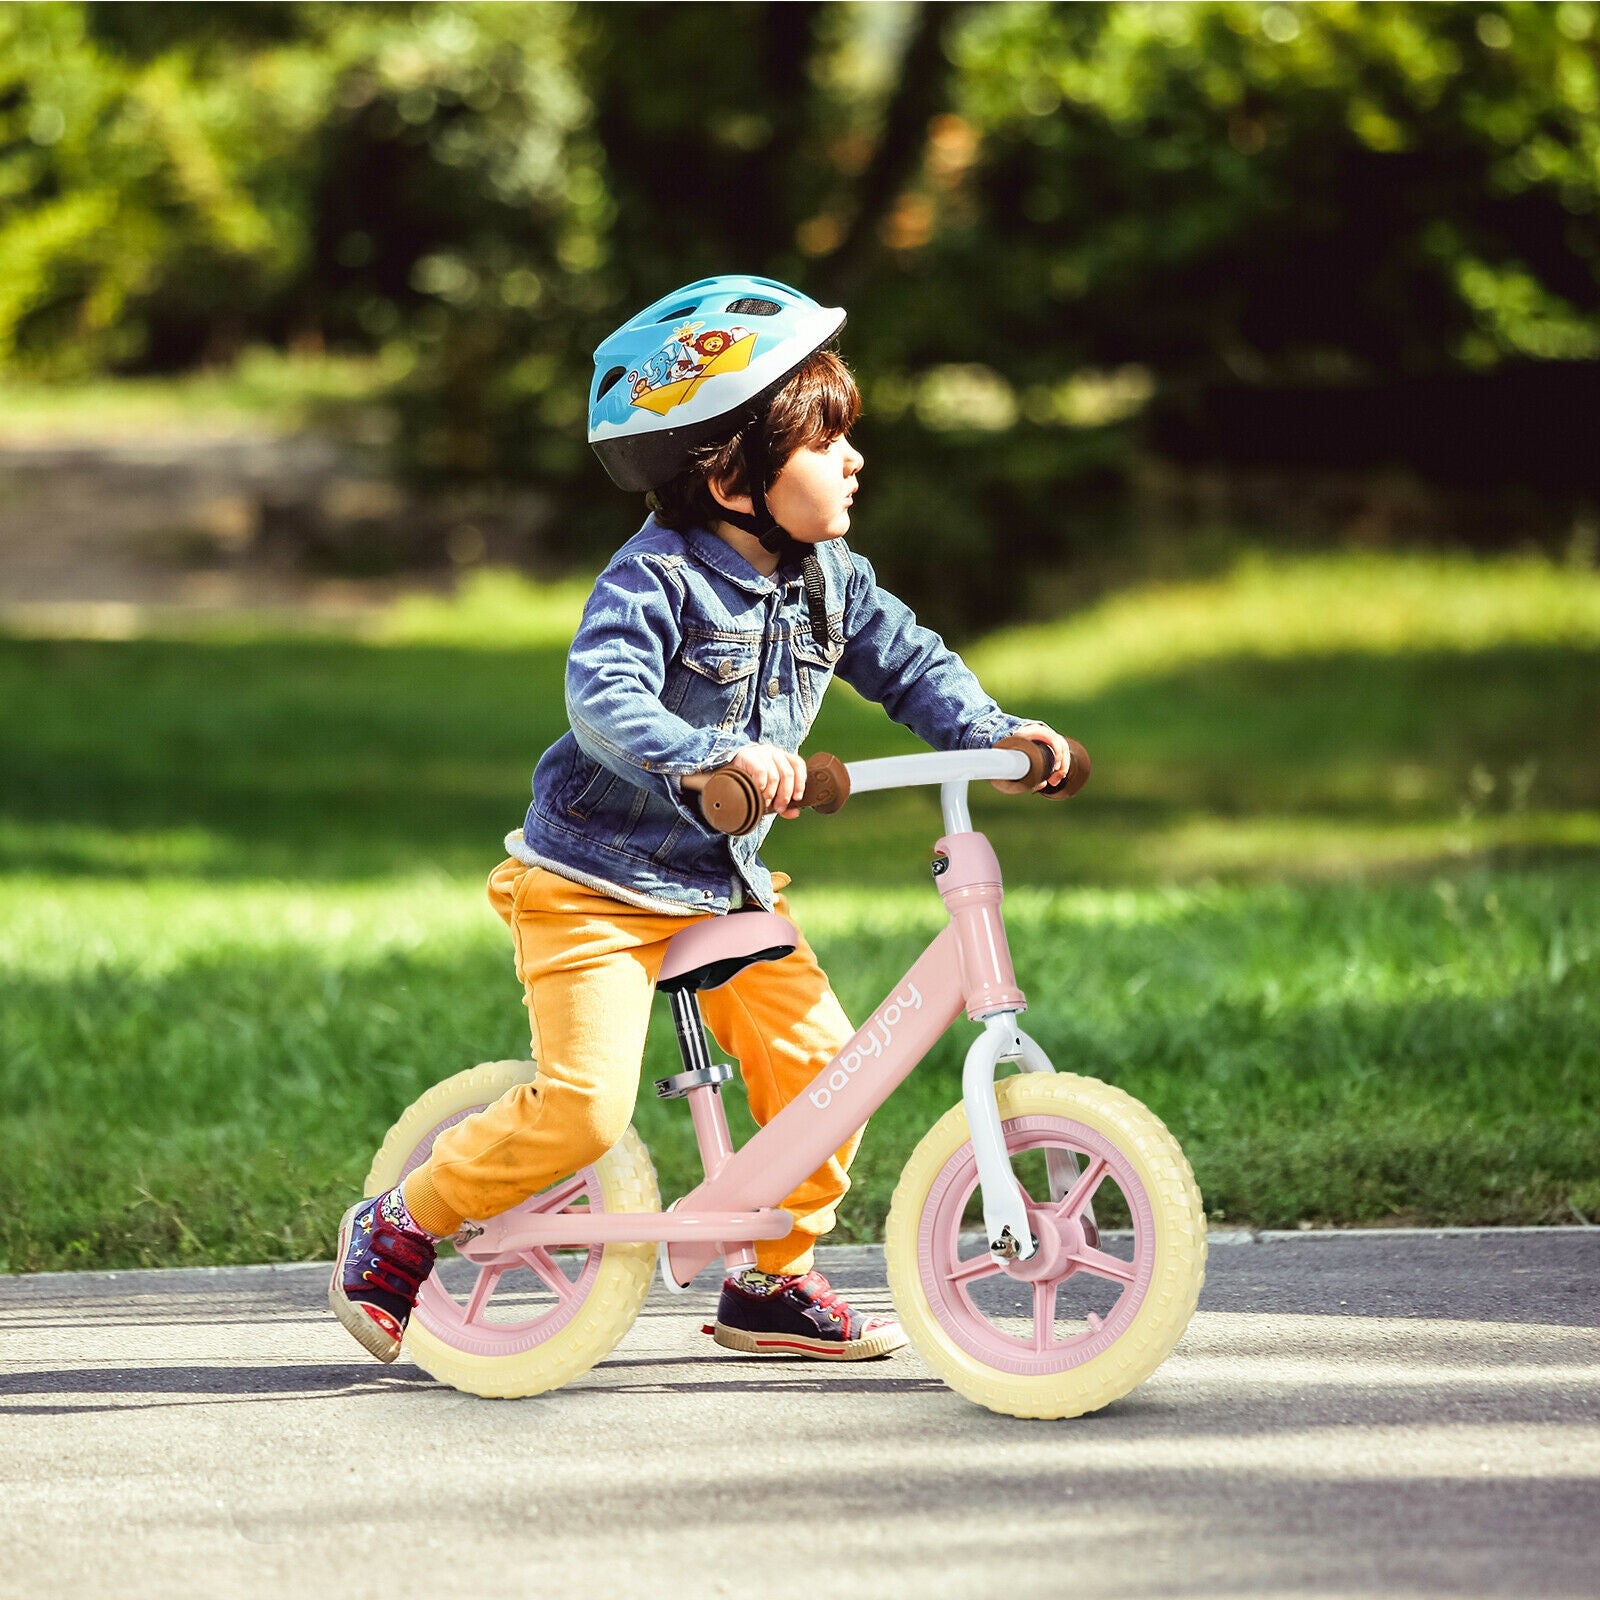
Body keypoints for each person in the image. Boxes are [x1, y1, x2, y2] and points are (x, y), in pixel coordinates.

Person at [330, 275, 1074, 1364]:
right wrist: (711, 757)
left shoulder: (831, 580)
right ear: (728, 470)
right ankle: (404, 1221)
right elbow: (605, 701)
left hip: (724, 886)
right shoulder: (655, 581)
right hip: (591, 884)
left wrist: (998, 736)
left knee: (831, 1072)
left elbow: (908, 663)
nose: (854, 459)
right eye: (827, 443)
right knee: (583, 1112)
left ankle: (773, 1278)